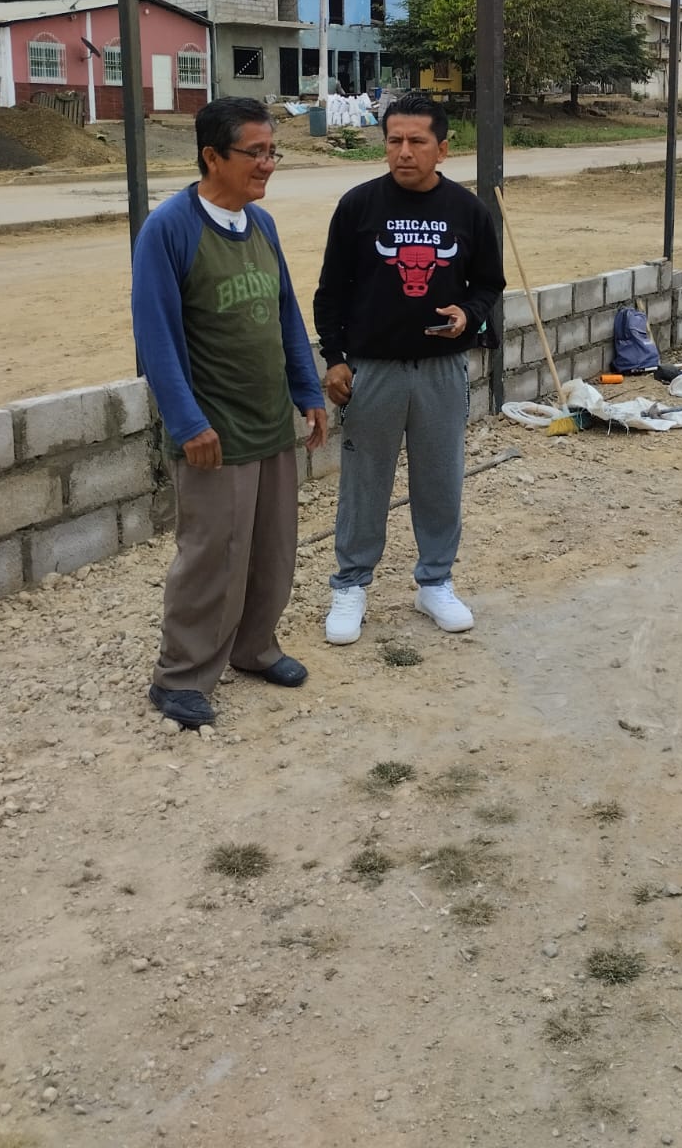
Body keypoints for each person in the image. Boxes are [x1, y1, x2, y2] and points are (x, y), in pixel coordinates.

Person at [131, 96, 328, 729]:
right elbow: (156, 338)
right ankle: (180, 677)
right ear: (212, 156)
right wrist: (187, 422)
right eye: (256, 152)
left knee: (273, 549)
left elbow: (286, 314)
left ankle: (254, 647)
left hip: (269, 421)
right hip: (215, 432)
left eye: (273, 151)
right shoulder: (170, 229)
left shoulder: (261, 225)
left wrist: (308, 390)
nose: (268, 163)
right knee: (213, 555)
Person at [313, 91, 505, 645]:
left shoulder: (468, 211)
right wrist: (335, 358)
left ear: (442, 148)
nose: (403, 151)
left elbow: (488, 284)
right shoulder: (358, 206)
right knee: (364, 482)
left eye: (417, 141)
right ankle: (351, 585)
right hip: (372, 370)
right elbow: (330, 291)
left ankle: (435, 582)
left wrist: (467, 315)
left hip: (442, 369)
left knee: (440, 479)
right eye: (394, 140)